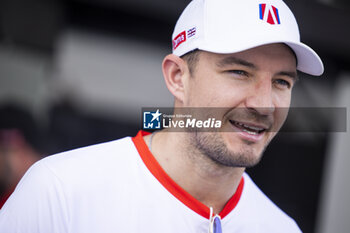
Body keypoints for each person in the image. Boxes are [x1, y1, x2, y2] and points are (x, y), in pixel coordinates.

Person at [0, 0, 324, 232]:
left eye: (282, 81)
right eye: (239, 72)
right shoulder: (60, 191)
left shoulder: (280, 227)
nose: (265, 104)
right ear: (177, 77)